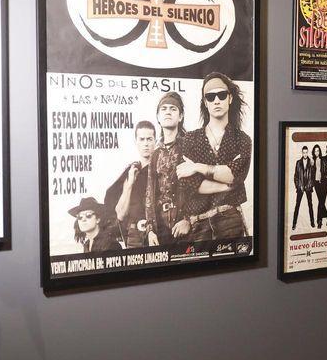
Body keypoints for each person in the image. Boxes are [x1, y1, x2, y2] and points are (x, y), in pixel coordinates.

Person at [178, 72, 252, 240]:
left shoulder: (242, 139)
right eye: (210, 97)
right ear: (205, 102)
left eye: (222, 95)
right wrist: (228, 186)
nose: (216, 101)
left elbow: (235, 175)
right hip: (198, 225)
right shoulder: (190, 138)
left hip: (230, 220)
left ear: (230, 98)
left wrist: (197, 167)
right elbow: (190, 183)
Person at [145, 91, 189, 245]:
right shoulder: (155, 154)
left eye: (173, 109)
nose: (168, 112)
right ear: (158, 117)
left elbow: (198, 186)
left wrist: (188, 220)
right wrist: (150, 230)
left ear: (180, 116)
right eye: (164, 109)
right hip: (161, 228)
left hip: (185, 225)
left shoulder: (189, 146)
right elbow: (150, 194)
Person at [104, 121, 156, 248]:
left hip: (157, 231)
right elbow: (120, 214)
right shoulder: (130, 171)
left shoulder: (161, 168)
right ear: (136, 142)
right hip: (134, 236)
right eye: (141, 139)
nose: (145, 144)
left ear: (155, 140)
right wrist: (129, 184)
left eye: (149, 139)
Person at [291, 145, 316, 230]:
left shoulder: (311, 162)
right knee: (297, 205)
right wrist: (298, 186)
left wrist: (310, 185)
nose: (305, 154)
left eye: (306, 152)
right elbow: (296, 176)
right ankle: (294, 224)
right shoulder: (298, 163)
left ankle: (312, 222)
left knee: (310, 205)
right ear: (302, 153)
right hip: (300, 187)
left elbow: (313, 176)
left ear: (307, 153)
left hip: (308, 187)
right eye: (303, 152)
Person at [311, 145, 327, 227]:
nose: (316, 152)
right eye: (315, 151)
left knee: (321, 202)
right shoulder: (312, 160)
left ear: (320, 151)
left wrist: (326, 176)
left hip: (323, 182)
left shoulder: (323, 159)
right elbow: (311, 172)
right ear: (313, 152)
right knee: (321, 201)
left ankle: (319, 221)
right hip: (316, 183)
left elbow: (326, 170)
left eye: (318, 150)